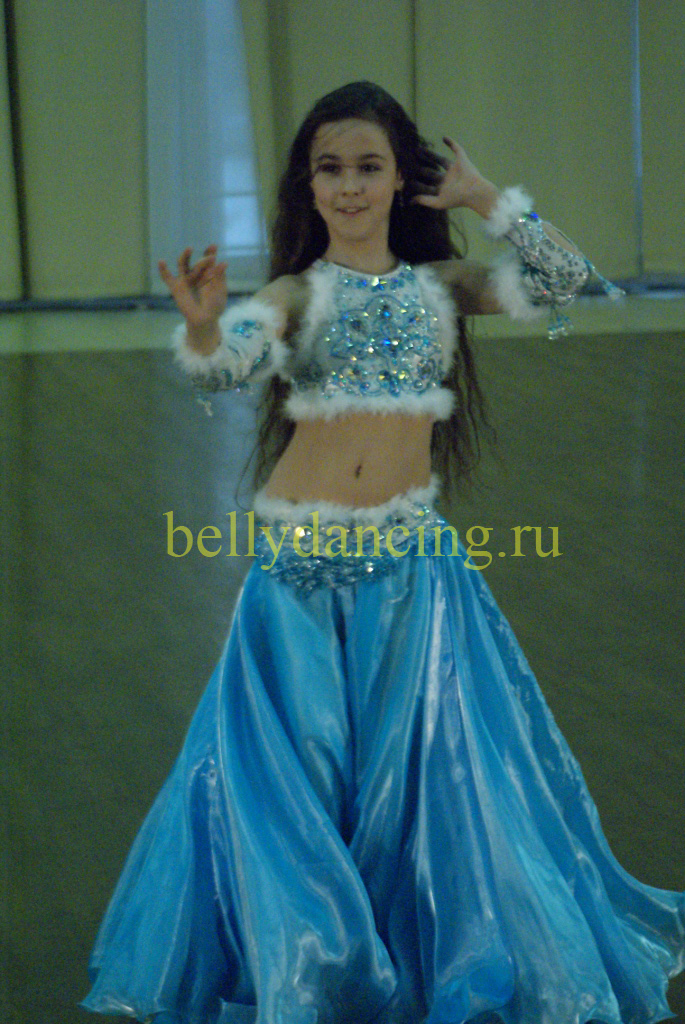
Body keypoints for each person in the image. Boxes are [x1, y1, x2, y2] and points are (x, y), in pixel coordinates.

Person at [81, 82, 684, 1024]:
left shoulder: (440, 288)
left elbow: (565, 279)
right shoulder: (294, 294)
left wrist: (487, 200)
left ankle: (415, 950)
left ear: (402, 179)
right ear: (309, 185)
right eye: (331, 169)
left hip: (412, 574)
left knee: (426, 782)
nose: (350, 186)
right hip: (297, 578)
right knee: (298, 783)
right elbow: (229, 363)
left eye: (369, 167)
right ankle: (313, 968)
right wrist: (202, 325)